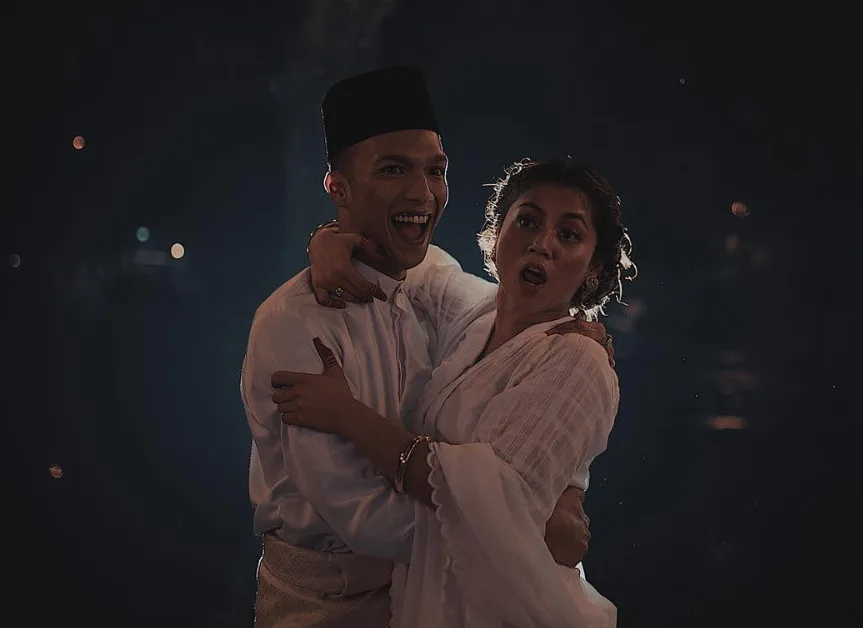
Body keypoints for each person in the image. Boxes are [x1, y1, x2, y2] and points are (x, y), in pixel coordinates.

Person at [241, 67, 612, 627]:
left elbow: (522, 316)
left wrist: (528, 510)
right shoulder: (298, 324)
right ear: (338, 187)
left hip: (437, 599)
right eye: (393, 169)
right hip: (323, 607)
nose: (422, 192)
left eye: (435, 171)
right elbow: (362, 516)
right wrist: (523, 528)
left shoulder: (435, 291)